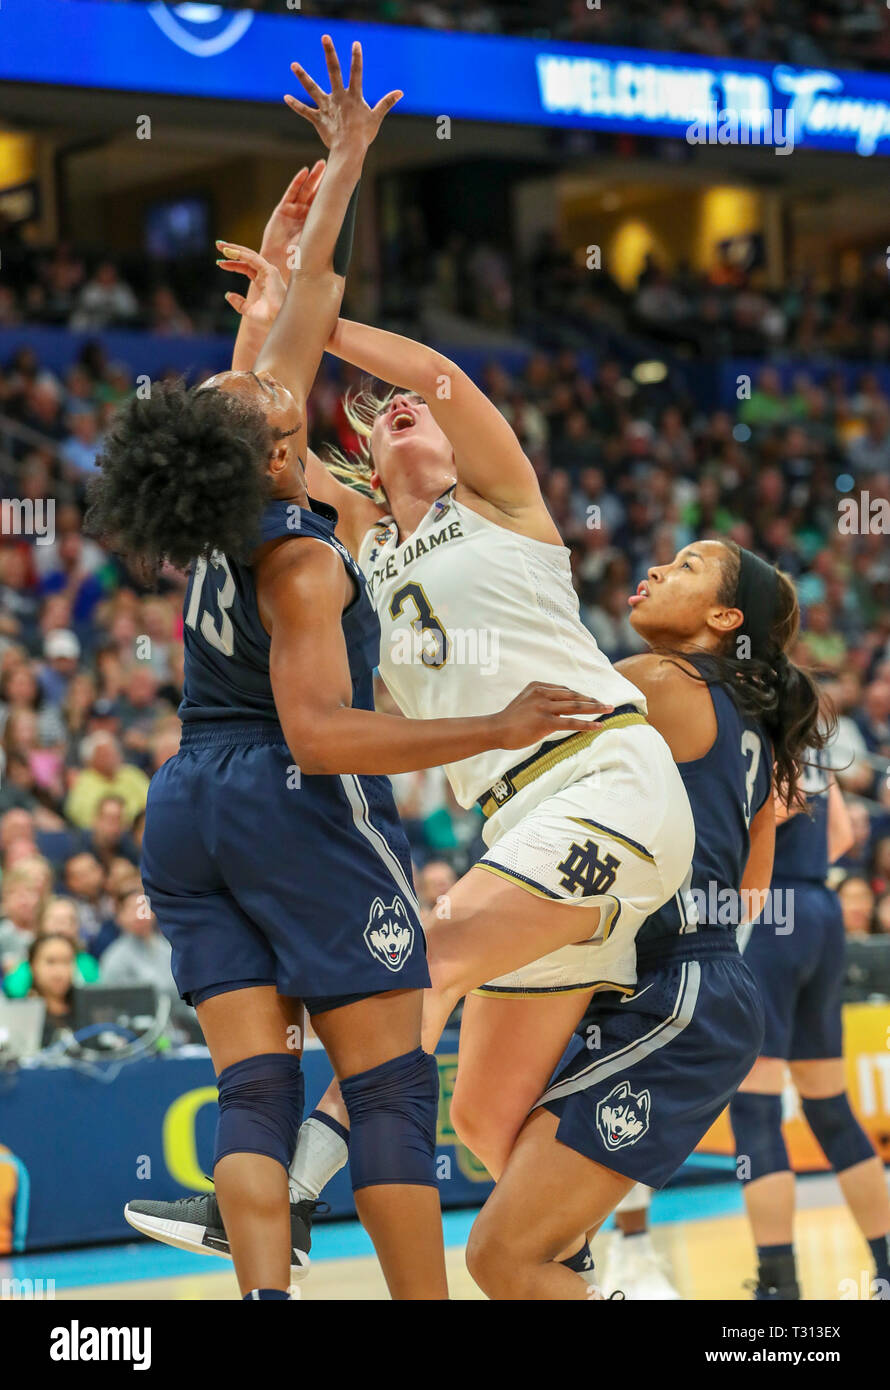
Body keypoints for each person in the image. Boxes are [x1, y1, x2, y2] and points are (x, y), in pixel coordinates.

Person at [100, 39, 602, 1304]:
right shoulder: (304, 565)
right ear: (268, 461)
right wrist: (492, 717)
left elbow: (298, 313)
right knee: (384, 1081)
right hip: (284, 791)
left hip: (186, 806)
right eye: (279, 420)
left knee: (254, 1085)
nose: (289, 404)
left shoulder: (223, 483)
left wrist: (334, 176)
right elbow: (321, 736)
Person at [135, 186, 696, 1285]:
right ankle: (588, 1265)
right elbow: (244, 435)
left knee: (418, 967)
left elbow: (442, 377)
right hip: (509, 819)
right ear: (345, 443)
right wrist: (270, 324)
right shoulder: (343, 539)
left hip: (600, 777)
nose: (400, 408)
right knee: (487, 1116)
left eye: (411, 408)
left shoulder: (503, 502)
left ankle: (276, 1193)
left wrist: (319, 310)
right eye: (376, 408)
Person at [462, 543, 830, 1299]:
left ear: (725, 619)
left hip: (677, 986)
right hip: (683, 971)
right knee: (479, 1121)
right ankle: (590, 1270)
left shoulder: (658, 680)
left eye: (687, 567)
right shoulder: (747, 722)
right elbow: (748, 896)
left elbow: (521, 705)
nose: (657, 569)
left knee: (502, 1257)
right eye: (663, 559)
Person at [731, 760, 890, 1299]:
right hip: (822, 910)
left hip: (771, 912)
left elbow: (765, 814)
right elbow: (843, 835)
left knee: (755, 1110)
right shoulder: (814, 746)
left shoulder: (757, 736)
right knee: (829, 1107)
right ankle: (885, 1266)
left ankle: (780, 1287)